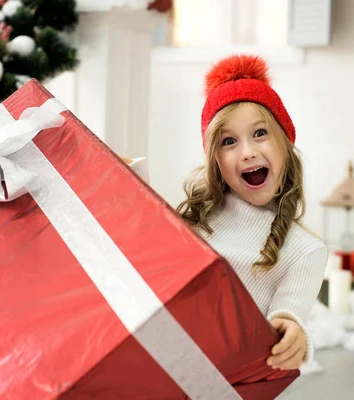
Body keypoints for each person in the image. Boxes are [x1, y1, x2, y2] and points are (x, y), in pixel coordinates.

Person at [124, 54, 327, 370]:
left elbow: (288, 314)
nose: (247, 153)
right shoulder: (196, 222)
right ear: (215, 160)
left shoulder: (305, 251)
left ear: (285, 141)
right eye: (228, 141)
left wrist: (293, 331)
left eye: (260, 133)